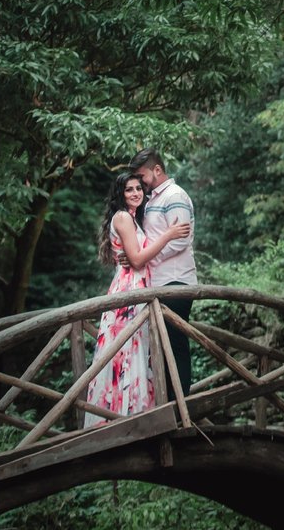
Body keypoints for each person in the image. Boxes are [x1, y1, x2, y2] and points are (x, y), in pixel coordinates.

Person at [83, 171, 189, 426]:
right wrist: (169, 235)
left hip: (138, 286)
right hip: (129, 291)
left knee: (138, 350)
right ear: (120, 194)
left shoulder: (132, 218)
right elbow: (139, 259)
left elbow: (133, 256)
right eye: (129, 189)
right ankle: (119, 419)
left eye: (138, 188)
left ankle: (135, 415)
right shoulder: (122, 217)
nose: (136, 193)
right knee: (125, 351)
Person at [130, 147, 197, 396]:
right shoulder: (153, 199)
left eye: (142, 176)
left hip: (176, 281)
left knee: (176, 344)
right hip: (159, 282)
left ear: (157, 170)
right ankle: (166, 401)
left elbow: (181, 240)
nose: (139, 182)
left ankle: (179, 406)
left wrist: (147, 258)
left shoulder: (175, 196)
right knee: (161, 344)